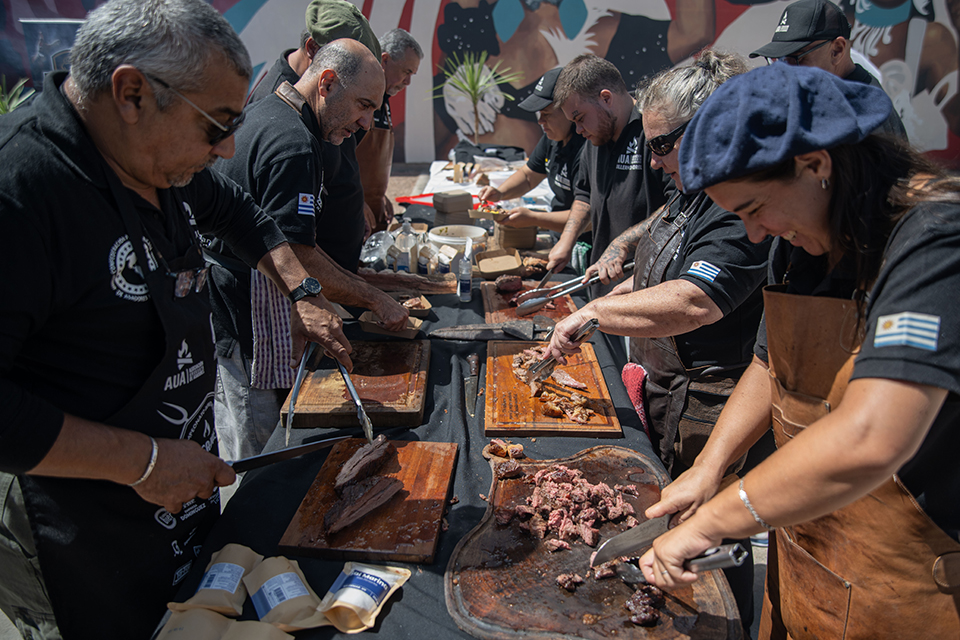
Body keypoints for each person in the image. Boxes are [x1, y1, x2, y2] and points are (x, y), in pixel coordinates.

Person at [0, 0, 354, 638]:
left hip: (176, 482)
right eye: (216, 124)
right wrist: (141, 462)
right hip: (80, 525)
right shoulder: (22, 189)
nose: (228, 146)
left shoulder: (157, 159)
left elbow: (241, 214)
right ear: (131, 93)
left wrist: (302, 291)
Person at [638, 63, 960, 638]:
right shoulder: (801, 245)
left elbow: (872, 437)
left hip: (915, 585)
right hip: (809, 557)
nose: (755, 235)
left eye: (755, 210)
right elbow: (770, 365)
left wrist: (716, 518)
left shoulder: (934, 243)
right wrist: (711, 467)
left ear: (816, 166)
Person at [543, 50, 769, 631]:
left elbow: (696, 300)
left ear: (711, 130)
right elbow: (669, 213)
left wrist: (597, 311)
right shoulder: (697, 185)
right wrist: (623, 246)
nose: (652, 158)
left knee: (720, 546)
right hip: (676, 392)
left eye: (663, 144)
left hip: (716, 402)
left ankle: (727, 623)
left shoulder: (738, 202)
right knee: (678, 533)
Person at [208, 40, 407, 465]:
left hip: (251, 306)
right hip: (245, 322)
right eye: (363, 105)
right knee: (258, 456)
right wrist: (373, 297)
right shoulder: (293, 143)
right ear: (327, 83)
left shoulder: (279, 111)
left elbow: (301, 241)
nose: (367, 122)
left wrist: (358, 286)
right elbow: (297, 252)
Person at [247, 0, 380, 272]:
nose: (366, 123)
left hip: (338, 273)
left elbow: (333, 170)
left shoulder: (327, 105)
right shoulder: (282, 122)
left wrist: (356, 202)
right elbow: (287, 243)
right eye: (362, 105)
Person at [549, 54, 671, 295]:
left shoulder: (653, 132)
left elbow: (678, 206)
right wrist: (566, 241)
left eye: (580, 118)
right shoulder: (594, 140)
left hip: (644, 287)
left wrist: (624, 241)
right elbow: (584, 194)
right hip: (600, 282)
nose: (578, 129)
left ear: (606, 98)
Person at [750, 0, 908, 140]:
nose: (784, 72)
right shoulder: (825, 96)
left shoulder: (867, 115)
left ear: (837, 50)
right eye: (778, 60)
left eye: (796, 58)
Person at [477, 66, 586, 234]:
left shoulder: (587, 150)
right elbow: (529, 176)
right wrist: (499, 193)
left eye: (547, 114)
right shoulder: (553, 138)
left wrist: (534, 218)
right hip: (560, 234)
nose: (540, 121)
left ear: (570, 112)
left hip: (584, 241)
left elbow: (589, 218)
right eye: (539, 114)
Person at [357, 28, 423, 236]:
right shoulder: (358, 100)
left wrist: (380, 196)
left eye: (412, 74)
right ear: (384, 60)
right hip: (352, 212)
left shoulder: (383, 102)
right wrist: (356, 201)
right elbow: (337, 162)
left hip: (374, 213)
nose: (408, 82)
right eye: (406, 72)